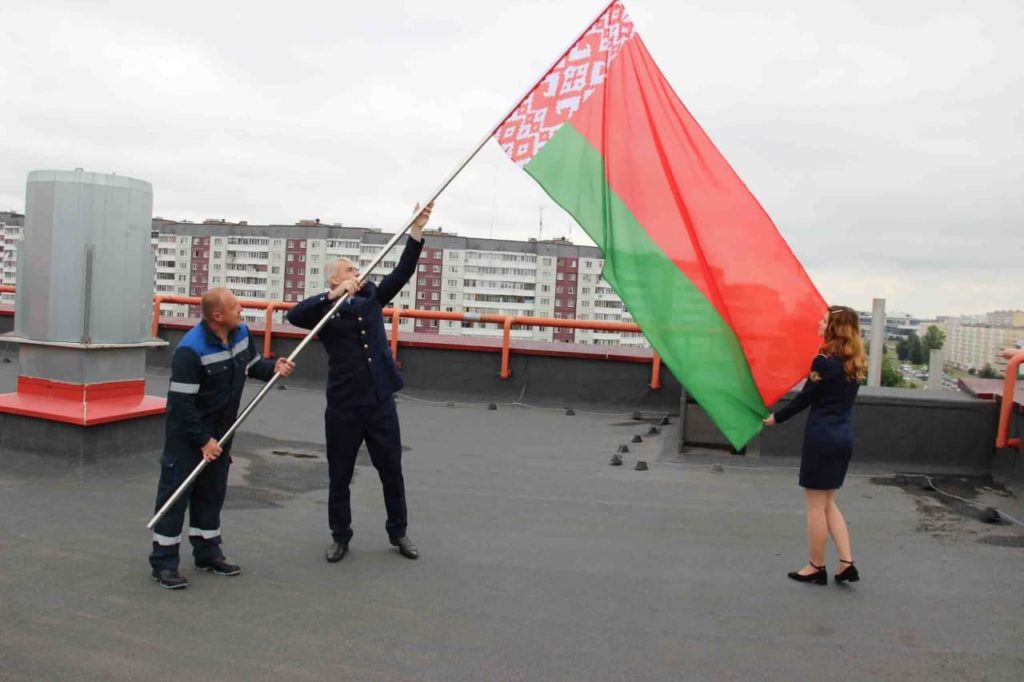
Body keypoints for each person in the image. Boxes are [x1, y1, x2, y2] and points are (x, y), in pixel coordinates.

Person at [287, 203, 433, 563]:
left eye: (357, 267)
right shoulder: (324, 310)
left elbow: (402, 272)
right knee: (340, 474)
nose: (358, 272)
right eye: (351, 269)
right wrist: (332, 297)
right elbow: (294, 316)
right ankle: (341, 535)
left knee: (391, 470)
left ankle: (398, 532)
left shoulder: (372, 299)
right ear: (336, 279)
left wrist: (416, 230)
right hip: (344, 404)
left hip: (380, 401)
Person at [149, 288, 295, 589]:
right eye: (235, 306)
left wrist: (274, 368)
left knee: (212, 493)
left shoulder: (240, 332)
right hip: (189, 437)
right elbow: (181, 406)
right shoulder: (191, 350)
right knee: (175, 498)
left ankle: (207, 553)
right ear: (217, 316)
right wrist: (203, 440)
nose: (241, 309)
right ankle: (164, 563)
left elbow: (252, 365)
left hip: (223, 431)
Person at [763, 305, 866, 586]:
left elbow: (805, 398)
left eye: (824, 321)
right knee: (829, 503)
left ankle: (816, 566)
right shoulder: (855, 362)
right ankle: (846, 563)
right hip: (843, 437)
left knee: (815, 507)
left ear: (834, 328)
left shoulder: (823, 360)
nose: (819, 324)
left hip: (821, 438)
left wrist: (777, 418)